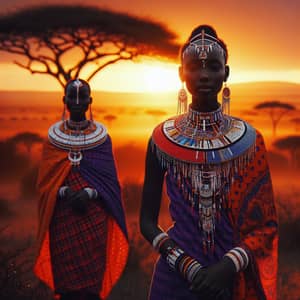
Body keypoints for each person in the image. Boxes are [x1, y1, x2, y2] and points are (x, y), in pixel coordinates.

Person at [140, 25, 278, 300]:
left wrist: (226, 268)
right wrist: (184, 264)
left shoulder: (250, 141)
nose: (203, 75)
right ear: (181, 73)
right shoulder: (160, 140)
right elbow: (146, 221)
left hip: (231, 274)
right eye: (193, 67)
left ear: (226, 72)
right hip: (175, 277)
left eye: (213, 67)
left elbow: (265, 226)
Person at [34, 79, 128, 300]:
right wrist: (64, 192)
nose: (77, 101)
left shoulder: (102, 141)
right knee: (66, 287)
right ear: (64, 100)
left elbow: (111, 185)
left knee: (90, 288)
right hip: (63, 219)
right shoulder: (52, 142)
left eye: (82, 96)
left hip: (93, 218)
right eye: (72, 97)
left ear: (90, 101)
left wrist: (90, 193)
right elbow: (45, 186)